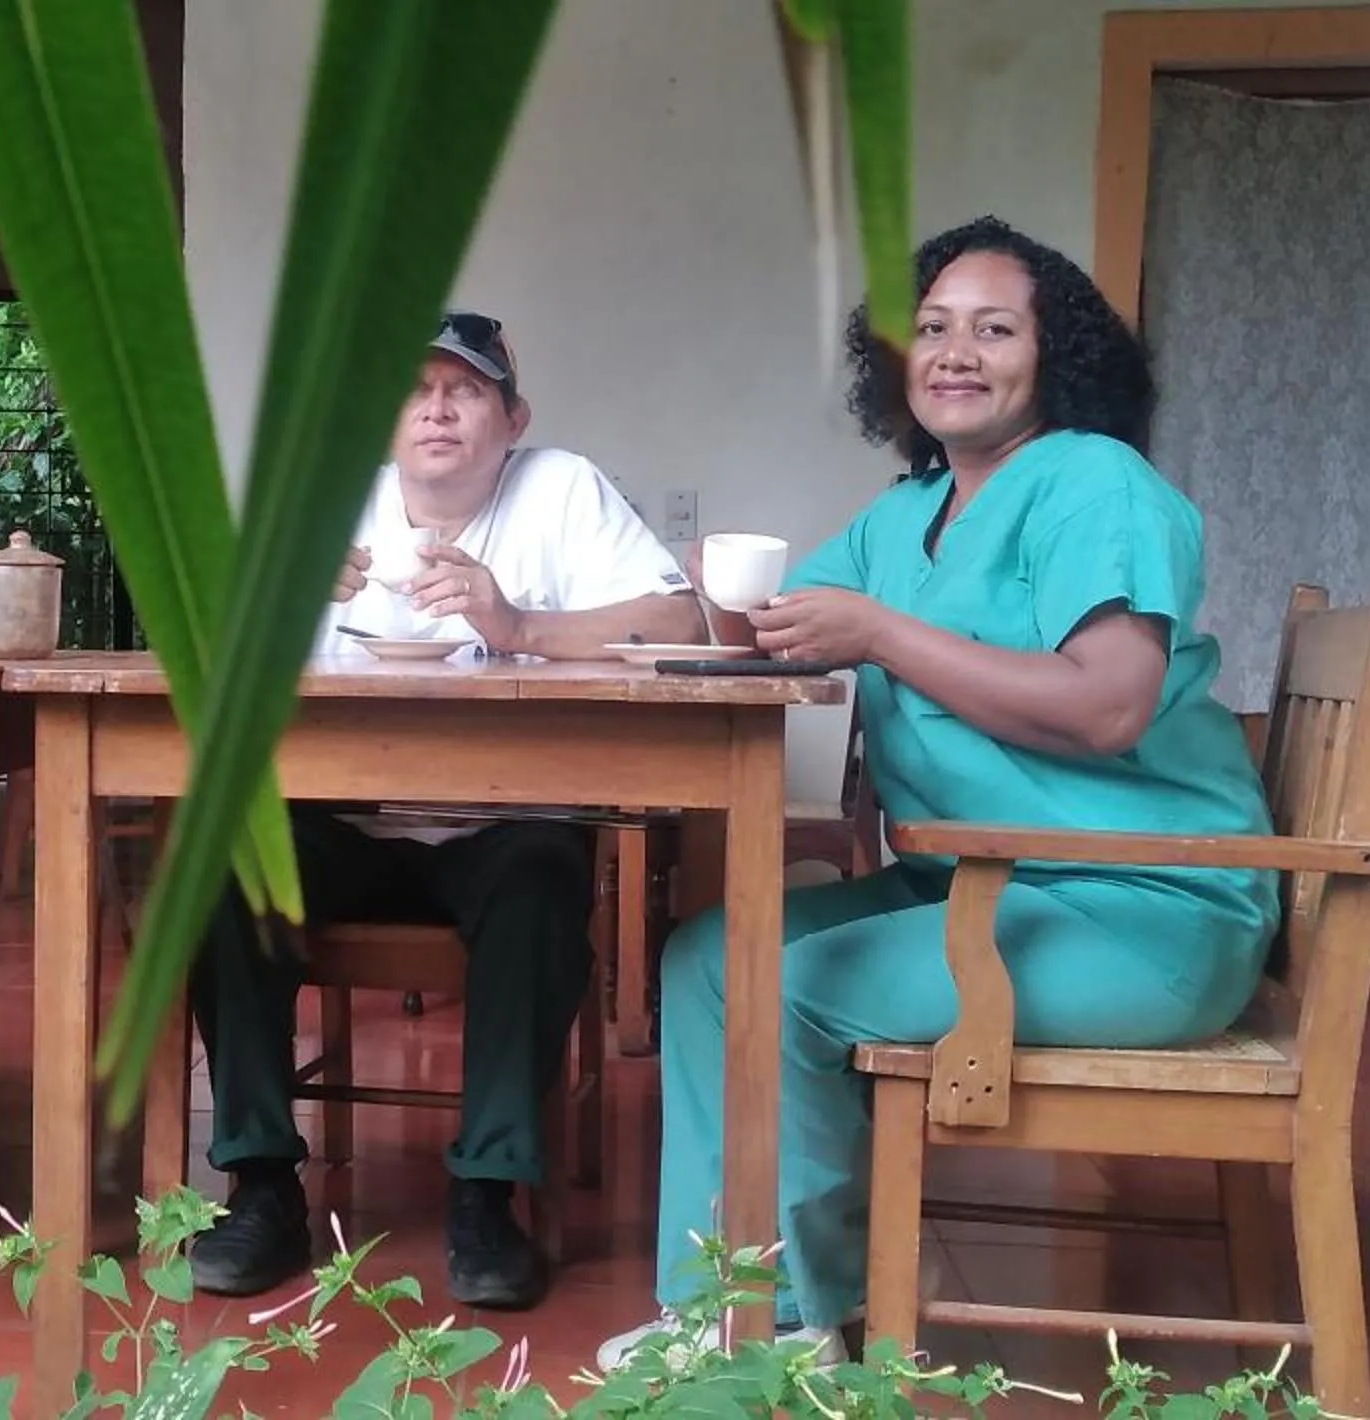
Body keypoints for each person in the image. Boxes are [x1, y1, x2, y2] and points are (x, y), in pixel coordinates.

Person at [597, 217, 1282, 1368]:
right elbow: (774, 627)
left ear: (1054, 356)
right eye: (930, 329)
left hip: (1145, 905)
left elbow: (1109, 704)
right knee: (710, 959)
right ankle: (733, 1296)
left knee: (795, 983)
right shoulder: (905, 514)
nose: (955, 352)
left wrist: (882, 635)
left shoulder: (1094, 482)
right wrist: (709, 597)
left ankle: (784, 1323)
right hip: (980, 884)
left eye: (994, 329)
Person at [186, 311, 702, 1311]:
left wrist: (516, 624)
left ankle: (485, 1191)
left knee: (547, 876)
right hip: (346, 822)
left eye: (462, 390)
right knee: (225, 862)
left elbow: (679, 618)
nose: (434, 408)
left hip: (502, 827)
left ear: (512, 417)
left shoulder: (562, 488)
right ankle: (259, 1184)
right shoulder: (338, 502)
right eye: (413, 392)